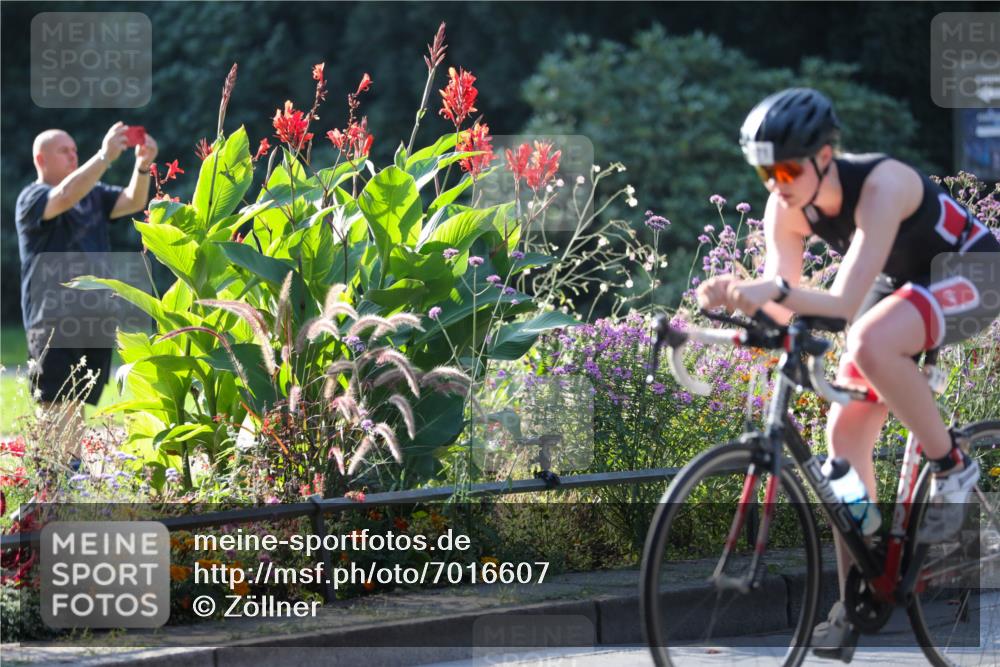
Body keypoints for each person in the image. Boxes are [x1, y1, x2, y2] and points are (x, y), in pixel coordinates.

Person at [697, 88, 1000, 661]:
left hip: (972, 270)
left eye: (787, 168)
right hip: (900, 289)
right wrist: (735, 300)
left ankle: (952, 465)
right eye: (764, 171)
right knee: (841, 444)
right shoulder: (784, 208)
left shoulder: (883, 185)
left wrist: (765, 292)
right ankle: (858, 593)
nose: (776, 183)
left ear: (826, 155)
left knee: (867, 337)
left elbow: (841, 303)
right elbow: (785, 303)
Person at [14, 122, 157, 468]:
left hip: (93, 315)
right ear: (40, 159)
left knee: (75, 401)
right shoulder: (31, 199)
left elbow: (133, 200)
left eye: (75, 149)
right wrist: (105, 155)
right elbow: (62, 196)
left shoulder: (91, 193)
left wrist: (141, 166)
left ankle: (68, 475)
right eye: (64, 150)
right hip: (52, 317)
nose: (73, 154)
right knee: (55, 401)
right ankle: (53, 479)